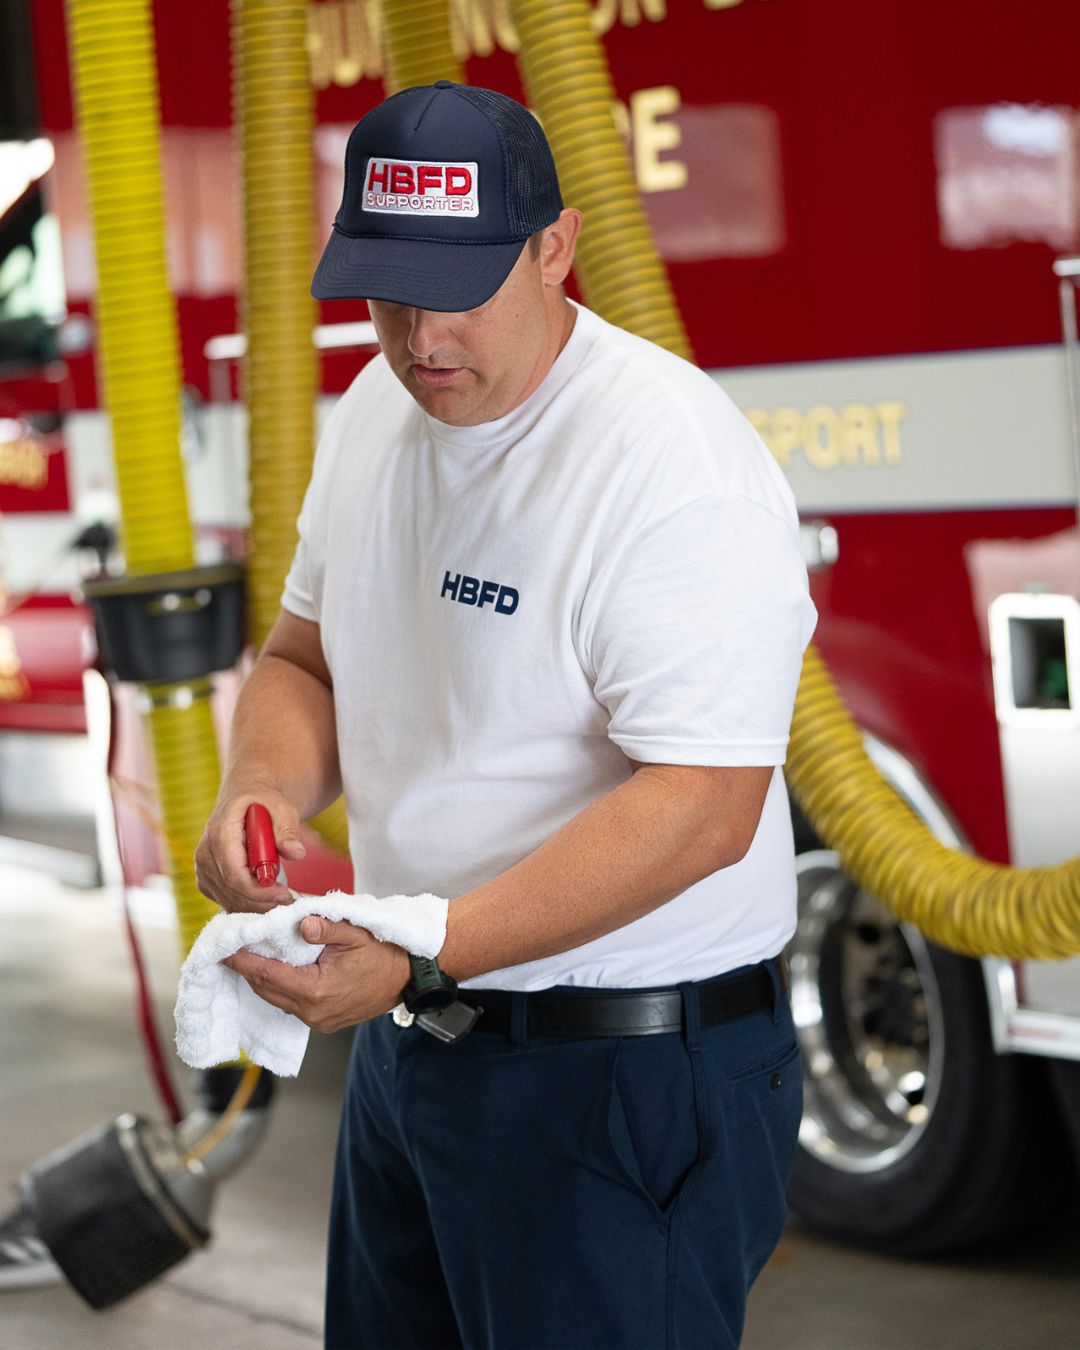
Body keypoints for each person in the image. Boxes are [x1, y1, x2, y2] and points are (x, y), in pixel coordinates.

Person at [195, 80, 817, 1350]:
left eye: (460, 285)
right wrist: (258, 787)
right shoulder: (380, 411)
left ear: (556, 248)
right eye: (385, 289)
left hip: (623, 1078)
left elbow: (704, 807)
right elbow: (305, 658)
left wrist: (427, 950)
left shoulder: (666, 468)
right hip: (418, 1045)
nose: (420, 334)